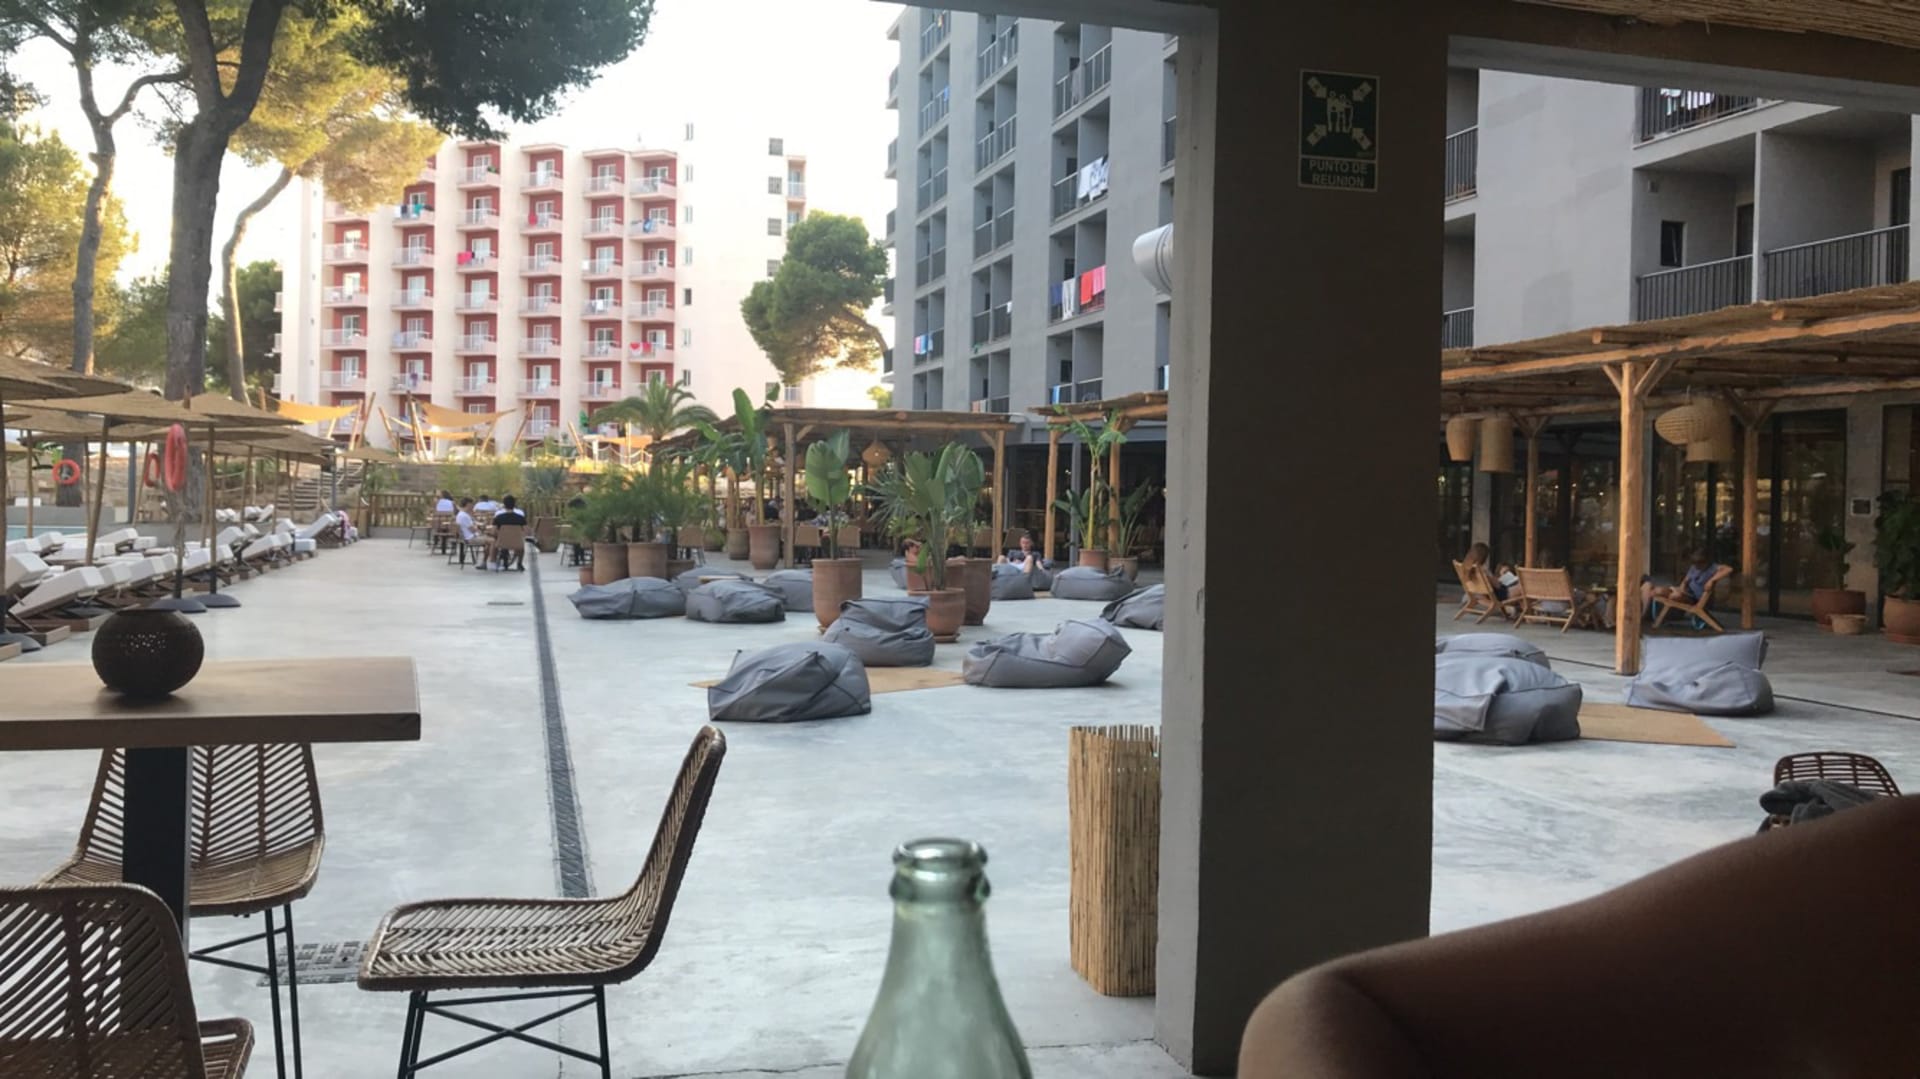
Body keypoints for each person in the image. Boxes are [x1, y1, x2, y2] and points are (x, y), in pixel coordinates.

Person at [1644, 547, 1732, 617]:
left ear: (1706, 562)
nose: (1697, 566)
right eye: (1695, 563)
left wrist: (1712, 580)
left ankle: (1671, 614)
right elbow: (1685, 581)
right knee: (1657, 591)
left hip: (1694, 598)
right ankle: (1644, 614)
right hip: (1685, 592)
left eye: (1699, 563)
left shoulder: (1712, 568)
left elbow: (1729, 569)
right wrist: (1681, 589)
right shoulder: (1694, 567)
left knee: (1674, 596)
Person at [486, 496, 528, 569]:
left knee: (492, 541)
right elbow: (526, 531)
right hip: (516, 542)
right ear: (514, 504)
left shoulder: (499, 517)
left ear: (504, 505)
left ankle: (492, 561)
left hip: (501, 542)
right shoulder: (520, 518)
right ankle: (519, 563)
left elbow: (493, 531)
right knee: (521, 547)